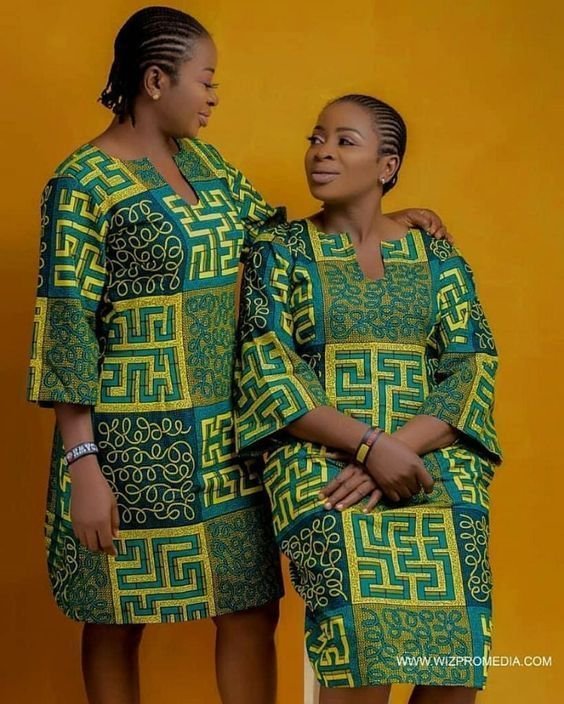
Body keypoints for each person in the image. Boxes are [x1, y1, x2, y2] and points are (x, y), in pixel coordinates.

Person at [28, 6, 451, 704]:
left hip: (226, 437)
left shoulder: (207, 164)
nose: (215, 96)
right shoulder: (82, 183)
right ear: (156, 81)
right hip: (127, 443)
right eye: (206, 80)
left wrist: (380, 216)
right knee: (115, 614)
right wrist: (83, 466)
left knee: (252, 607)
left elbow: (274, 241)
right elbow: (67, 326)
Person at [235, 93, 501, 704]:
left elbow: (472, 366)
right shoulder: (280, 251)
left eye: (344, 141)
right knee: (360, 636)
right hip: (320, 461)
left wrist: (395, 450)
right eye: (315, 138)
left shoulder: (435, 253)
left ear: (388, 166)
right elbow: (268, 370)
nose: (321, 151)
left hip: (431, 457)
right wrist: (367, 446)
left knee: (457, 655)